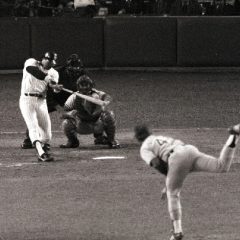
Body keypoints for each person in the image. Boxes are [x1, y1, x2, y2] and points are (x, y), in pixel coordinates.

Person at [134, 123, 240, 240]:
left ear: (137, 137)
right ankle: (234, 135)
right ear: (149, 132)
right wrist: (170, 180)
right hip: (190, 150)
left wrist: (169, 182)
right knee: (221, 166)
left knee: (172, 193)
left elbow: (157, 163)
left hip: (177, 158)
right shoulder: (157, 138)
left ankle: (177, 232)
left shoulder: (144, 148)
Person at [21, 53, 86, 149]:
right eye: (73, 67)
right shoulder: (57, 71)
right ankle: (29, 140)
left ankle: (77, 139)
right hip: (50, 97)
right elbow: (50, 91)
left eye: (77, 67)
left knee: (85, 110)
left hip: (70, 98)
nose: (75, 70)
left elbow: (88, 88)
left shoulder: (84, 75)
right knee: (38, 116)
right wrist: (57, 106)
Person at [19, 52, 62, 162]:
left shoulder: (54, 73)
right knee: (32, 128)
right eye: (48, 60)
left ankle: (40, 145)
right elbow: (33, 71)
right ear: (43, 58)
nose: (49, 63)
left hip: (41, 102)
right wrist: (48, 79)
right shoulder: (31, 62)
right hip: (27, 100)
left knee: (47, 136)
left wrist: (56, 88)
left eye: (52, 61)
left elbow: (53, 88)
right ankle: (41, 153)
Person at [60, 74, 120, 149]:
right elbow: (62, 114)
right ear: (78, 86)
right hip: (82, 125)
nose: (85, 87)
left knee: (109, 115)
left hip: (97, 123)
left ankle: (110, 140)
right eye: (82, 85)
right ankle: (72, 141)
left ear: (91, 85)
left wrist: (105, 102)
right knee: (66, 122)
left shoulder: (97, 94)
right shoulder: (74, 97)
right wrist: (69, 114)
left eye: (86, 84)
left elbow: (108, 97)